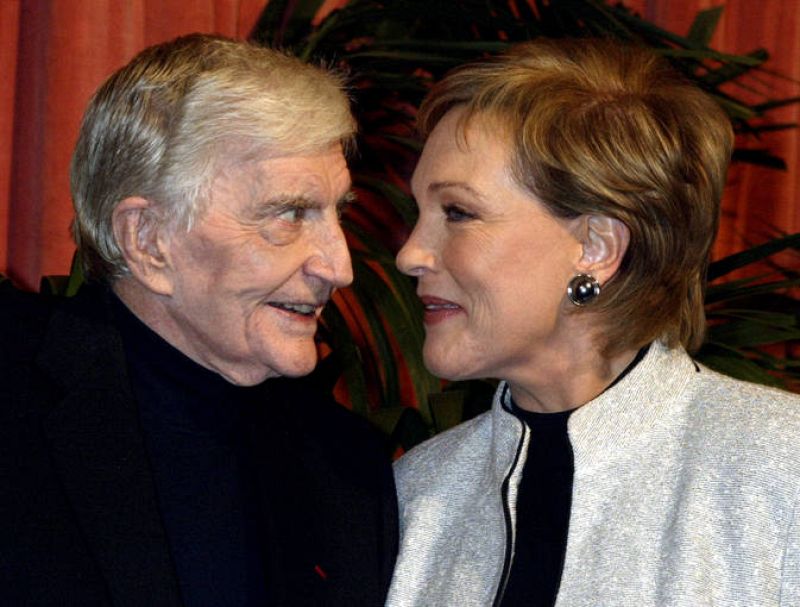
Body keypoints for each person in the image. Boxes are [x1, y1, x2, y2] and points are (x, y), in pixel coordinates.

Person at [386, 38, 800, 606]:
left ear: (596, 247)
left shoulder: (781, 467)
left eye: (458, 212)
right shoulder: (417, 496)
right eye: (420, 212)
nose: (410, 254)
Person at [0, 34, 397, 606]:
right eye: (290, 214)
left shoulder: (347, 467)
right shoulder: (14, 400)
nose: (339, 268)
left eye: (337, 213)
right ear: (149, 241)